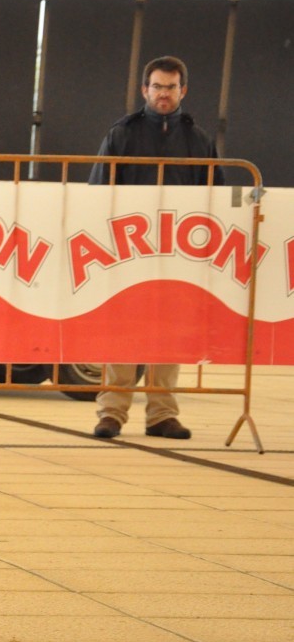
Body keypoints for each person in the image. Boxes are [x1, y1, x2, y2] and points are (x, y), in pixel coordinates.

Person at [89, 55, 224, 441]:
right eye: (157, 86)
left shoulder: (199, 140)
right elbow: (97, 193)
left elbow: (217, 196)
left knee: (171, 334)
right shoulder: (121, 135)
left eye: (171, 87)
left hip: (180, 255)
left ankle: (162, 415)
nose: (164, 93)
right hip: (126, 252)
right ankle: (111, 413)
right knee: (122, 333)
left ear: (183, 91)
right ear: (144, 90)